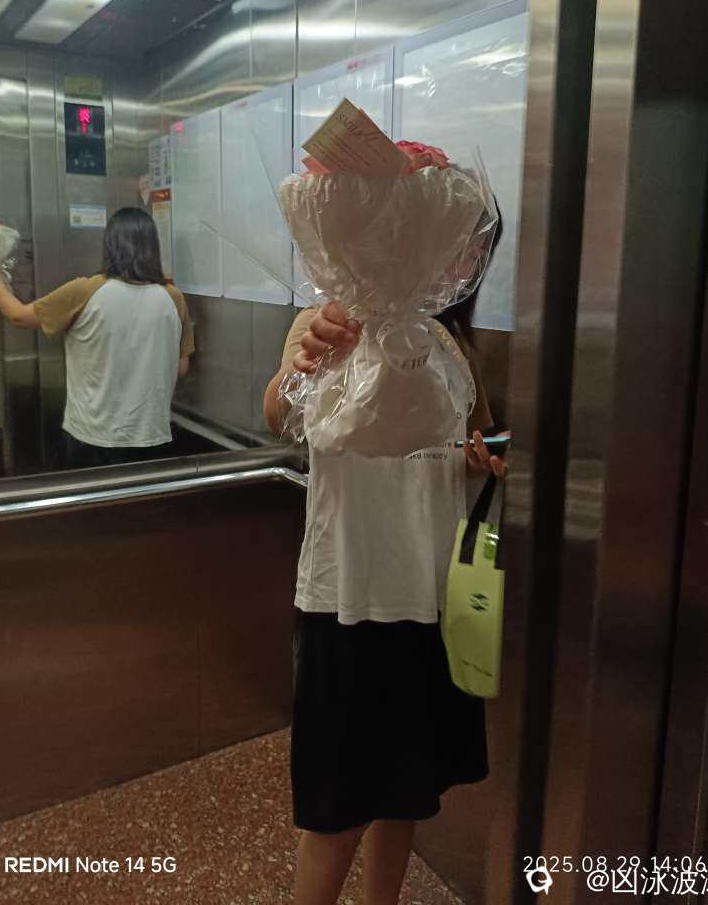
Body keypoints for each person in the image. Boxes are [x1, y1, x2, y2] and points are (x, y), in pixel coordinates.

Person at [263, 213, 507, 905]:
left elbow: (463, 447)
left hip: (431, 597)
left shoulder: (449, 344)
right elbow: (278, 413)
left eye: (473, 248)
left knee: (407, 796)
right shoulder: (328, 321)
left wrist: (481, 460)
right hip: (349, 596)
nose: (460, 259)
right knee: (336, 811)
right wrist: (310, 357)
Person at [0, 207, 194, 468]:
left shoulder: (85, 291)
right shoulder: (174, 297)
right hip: (152, 438)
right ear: (153, 248)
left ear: (110, 246)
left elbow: (19, 316)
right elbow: (181, 368)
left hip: (92, 439)